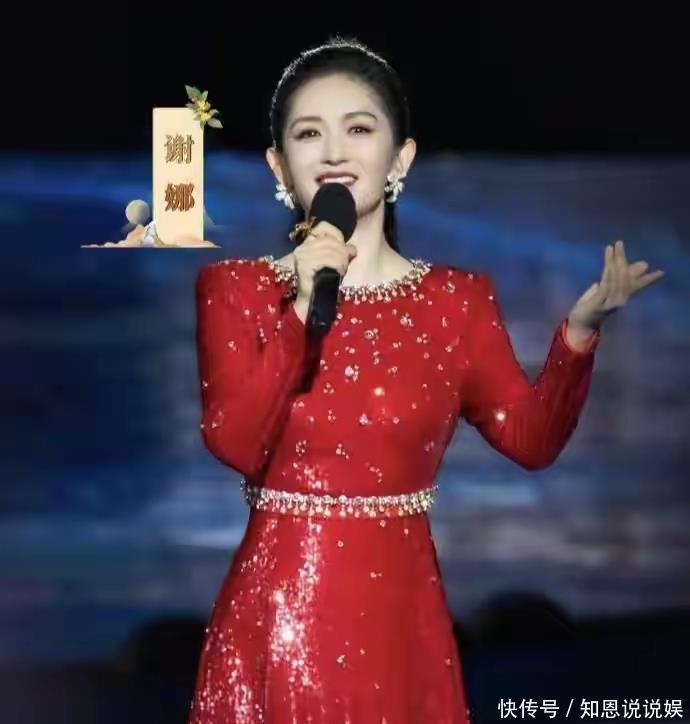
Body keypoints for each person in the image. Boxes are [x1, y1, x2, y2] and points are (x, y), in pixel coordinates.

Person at [187, 36, 663, 724]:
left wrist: (579, 335)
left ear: (401, 157)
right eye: (309, 133)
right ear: (278, 165)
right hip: (278, 618)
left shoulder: (455, 302)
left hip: (402, 621)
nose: (334, 152)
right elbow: (234, 440)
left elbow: (530, 441)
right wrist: (300, 306)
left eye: (359, 129)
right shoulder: (235, 289)